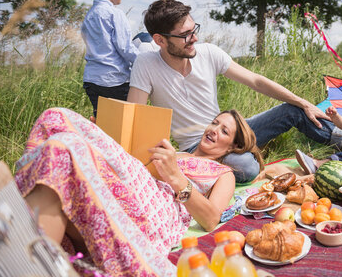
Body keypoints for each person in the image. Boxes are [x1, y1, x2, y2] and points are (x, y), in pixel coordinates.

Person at [127, 0, 342, 183]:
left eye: (193, 29)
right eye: (185, 34)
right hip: (198, 146)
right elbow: (133, 114)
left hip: (227, 132)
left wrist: (305, 103)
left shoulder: (208, 53)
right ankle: (233, 155)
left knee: (294, 109)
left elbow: (256, 81)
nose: (194, 37)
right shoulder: (146, 64)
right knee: (246, 168)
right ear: (160, 40)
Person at [15, 107, 259, 276]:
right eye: (215, 122)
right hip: (131, 187)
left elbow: (212, 218)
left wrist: (176, 178)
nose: (214, 129)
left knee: (64, 145)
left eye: (224, 131)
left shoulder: (222, 172)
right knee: (54, 121)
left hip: (158, 209)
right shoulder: (176, 151)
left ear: (234, 146)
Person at [81, 0, 139, 117]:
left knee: (103, 123)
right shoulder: (115, 14)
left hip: (92, 80)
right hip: (114, 80)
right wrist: (145, 59)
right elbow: (124, 48)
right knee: (123, 125)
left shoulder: (89, 16)